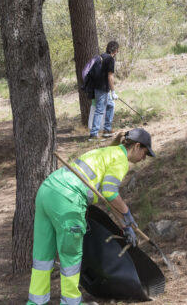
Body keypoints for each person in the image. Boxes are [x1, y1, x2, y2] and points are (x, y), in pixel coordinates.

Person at [27, 128, 156, 305]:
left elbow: (107, 198)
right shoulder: (120, 159)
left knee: (43, 255)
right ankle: (71, 302)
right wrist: (127, 212)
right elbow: (110, 193)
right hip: (67, 199)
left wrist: (125, 225)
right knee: (71, 255)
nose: (144, 158)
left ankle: (36, 301)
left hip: (47, 191)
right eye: (145, 153)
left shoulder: (107, 151)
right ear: (137, 146)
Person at [89, 40, 119, 140]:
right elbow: (110, 76)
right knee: (100, 110)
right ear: (115, 50)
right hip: (102, 88)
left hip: (97, 87)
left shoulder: (101, 56)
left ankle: (107, 130)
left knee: (110, 105)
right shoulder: (110, 59)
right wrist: (113, 91)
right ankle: (93, 134)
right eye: (117, 50)